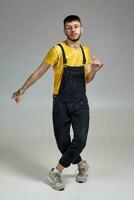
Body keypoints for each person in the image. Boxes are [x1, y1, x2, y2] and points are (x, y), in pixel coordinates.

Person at [11, 15, 103, 191]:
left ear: (82, 29)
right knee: (63, 143)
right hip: (60, 103)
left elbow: (87, 80)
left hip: (80, 103)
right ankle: (82, 165)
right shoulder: (57, 50)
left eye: (76, 26)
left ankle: (56, 172)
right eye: (69, 27)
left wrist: (95, 70)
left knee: (80, 140)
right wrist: (22, 90)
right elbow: (39, 72)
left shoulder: (86, 51)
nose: (73, 30)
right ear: (64, 30)